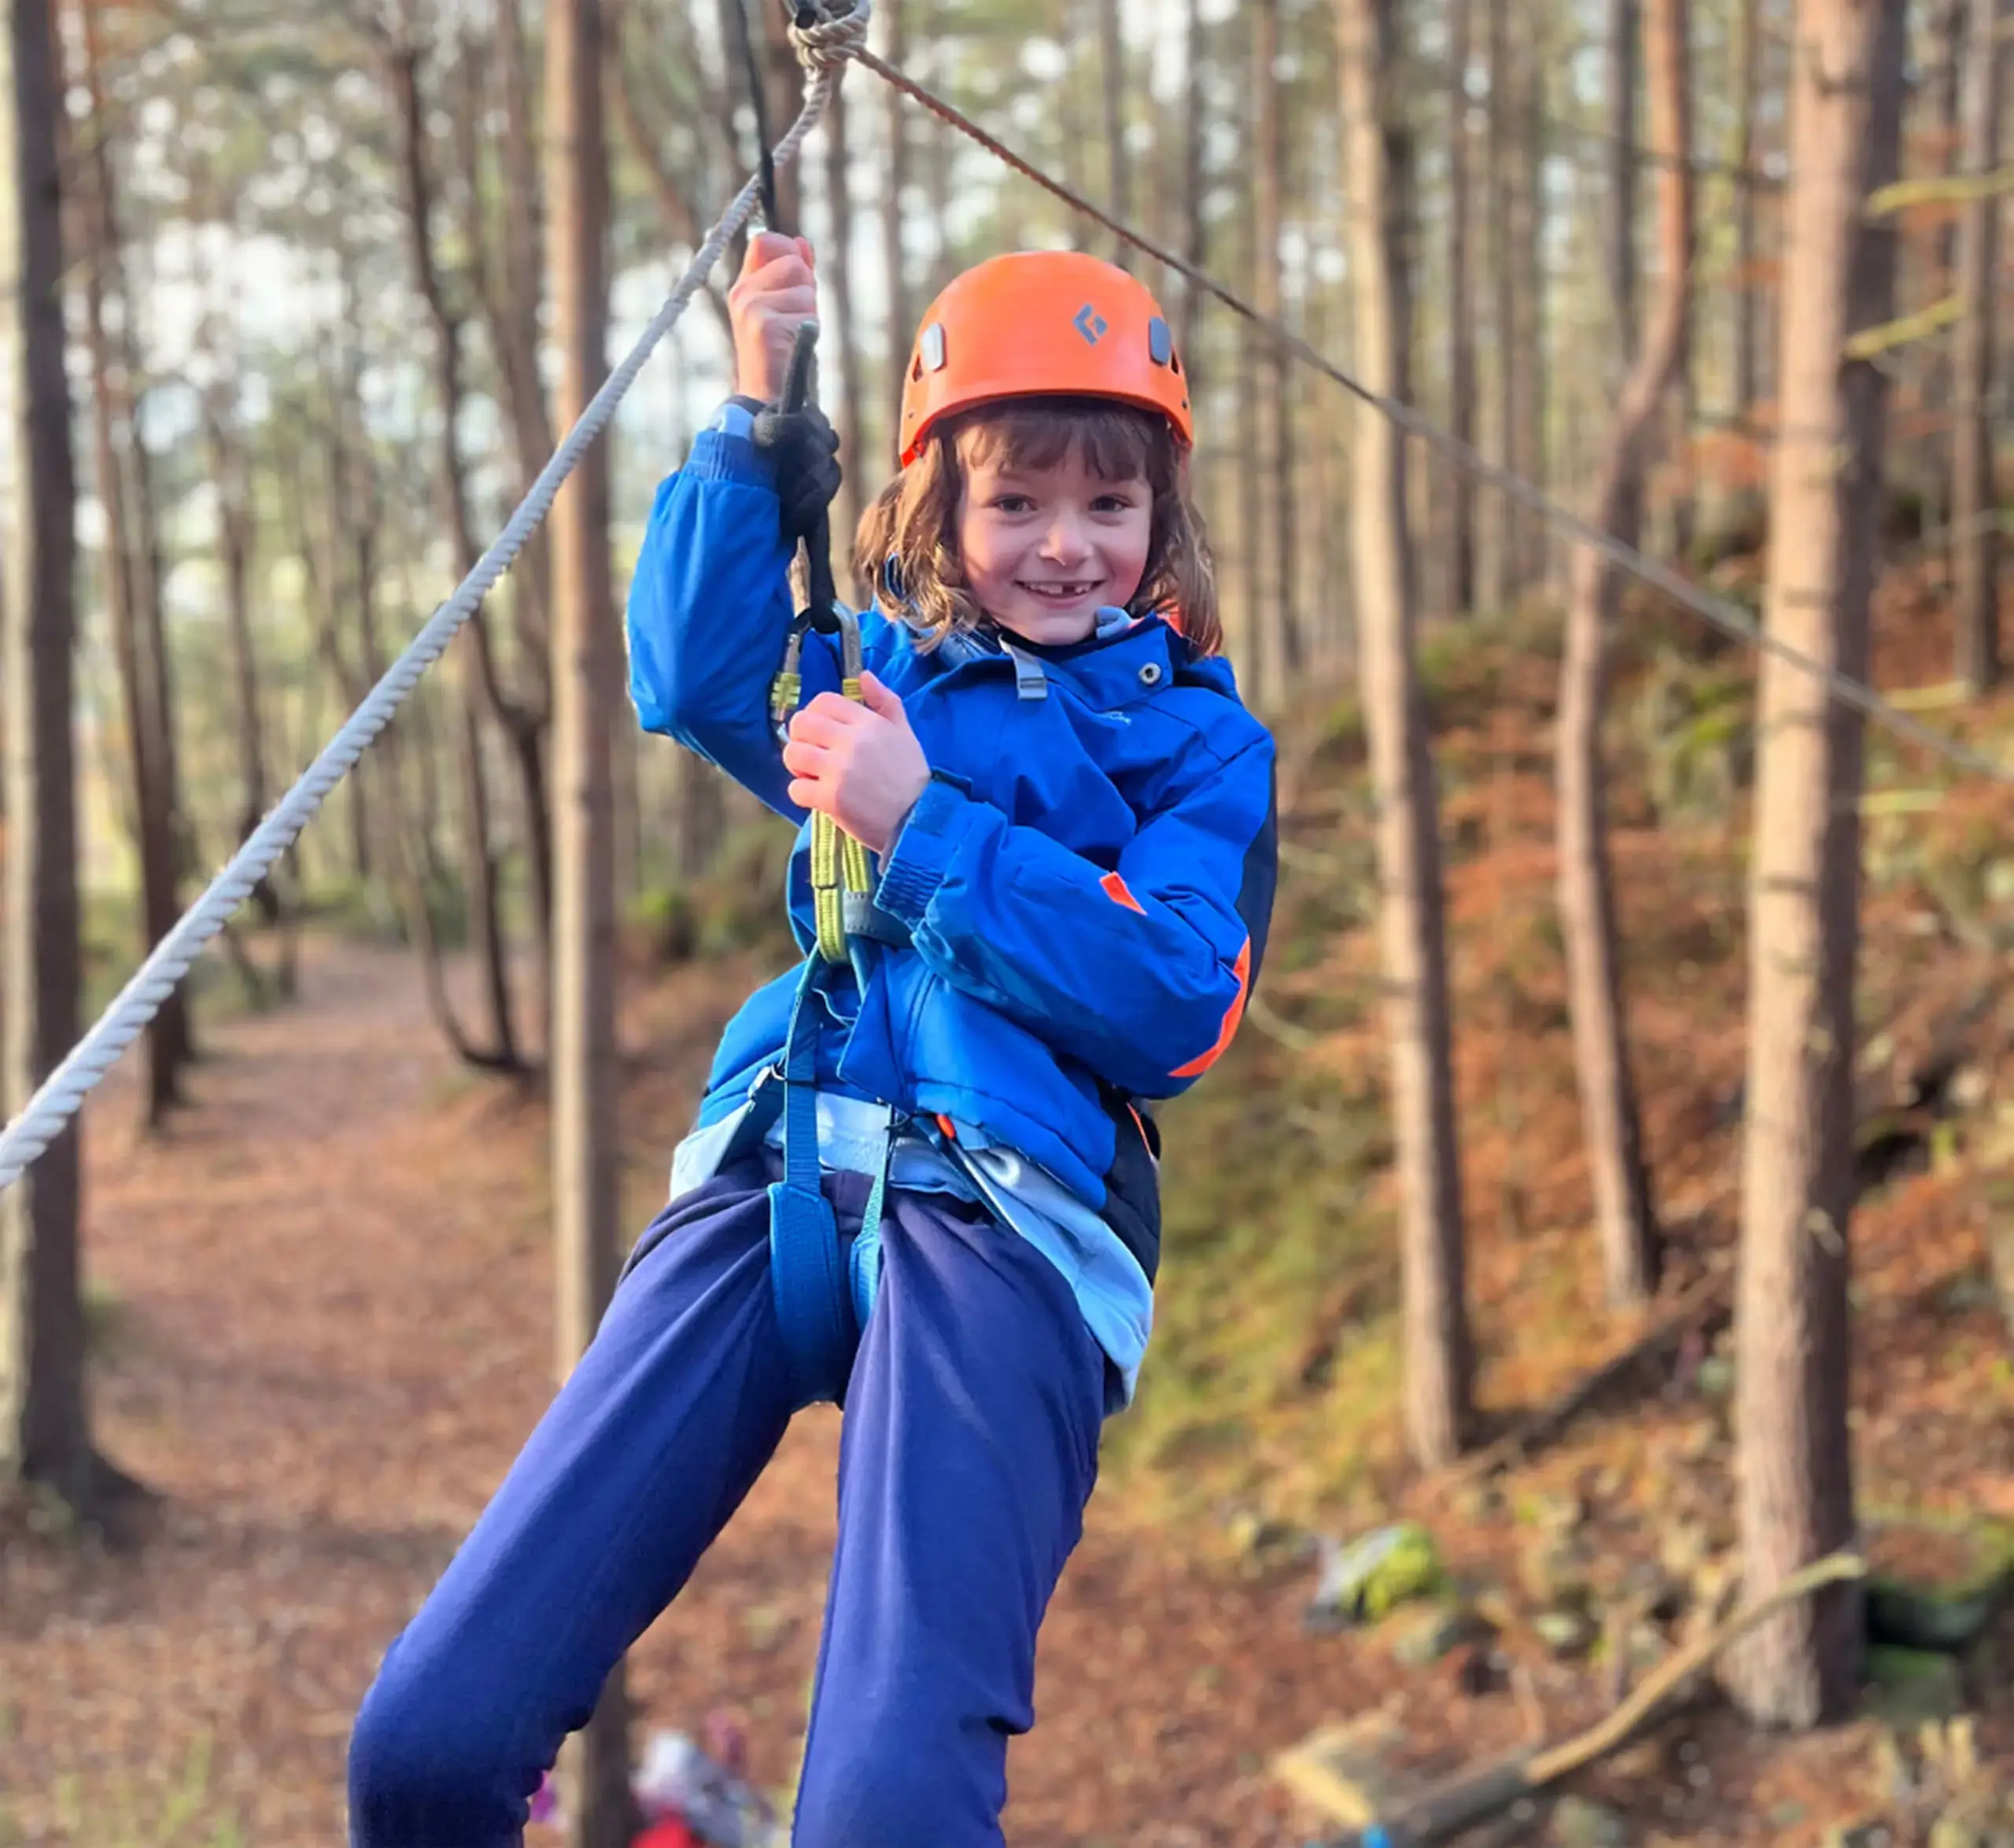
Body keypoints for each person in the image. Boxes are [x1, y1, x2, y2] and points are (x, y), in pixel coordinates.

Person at [346, 233, 1278, 1848]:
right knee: (421, 1751)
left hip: (1013, 1225)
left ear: (1158, 522)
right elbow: (689, 675)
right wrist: (753, 414)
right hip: (773, 1166)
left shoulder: (1200, 743)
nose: (1064, 547)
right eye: (1013, 503)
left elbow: (1175, 999)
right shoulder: (869, 671)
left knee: (881, 1816)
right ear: (938, 512)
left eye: (1107, 507)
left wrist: (922, 827)